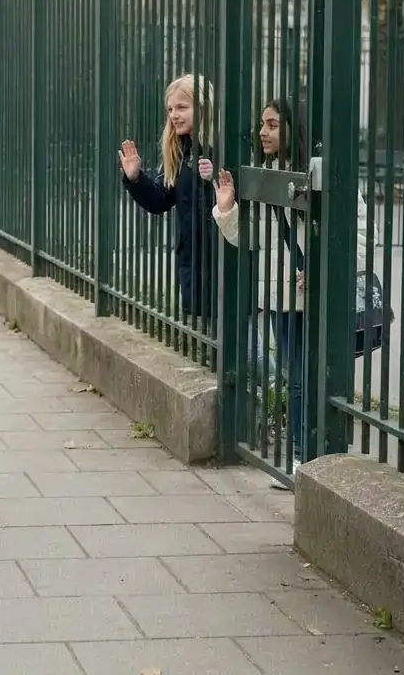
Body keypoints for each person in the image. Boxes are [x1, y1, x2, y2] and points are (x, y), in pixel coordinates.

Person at [202, 96, 369, 487]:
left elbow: (360, 232)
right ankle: (302, 457)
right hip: (278, 293)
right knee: (297, 376)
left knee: (314, 377)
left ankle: (316, 457)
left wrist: (325, 269)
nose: (263, 131)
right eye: (262, 123)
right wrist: (227, 210)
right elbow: (252, 239)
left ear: (294, 128)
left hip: (313, 294)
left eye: (273, 124)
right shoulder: (262, 174)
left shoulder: (322, 172)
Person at [119, 73, 218, 318]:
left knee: (243, 344)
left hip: (222, 260)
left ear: (204, 107)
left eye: (182, 107)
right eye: (170, 109)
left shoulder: (223, 147)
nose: (174, 115)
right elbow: (160, 199)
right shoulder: (181, 151)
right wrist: (136, 178)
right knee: (207, 339)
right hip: (193, 263)